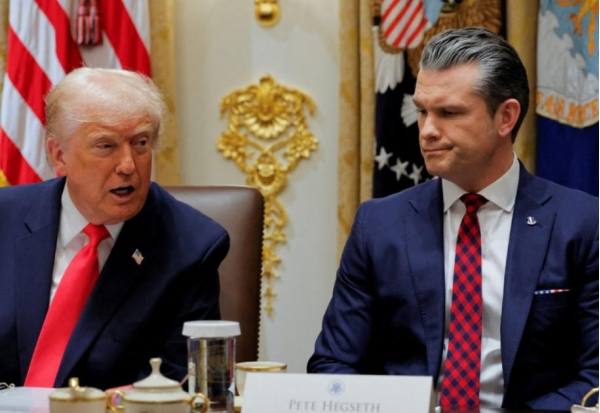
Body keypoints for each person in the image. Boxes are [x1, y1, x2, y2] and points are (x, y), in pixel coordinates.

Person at [308, 27, 598, 411]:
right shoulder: (378, 225)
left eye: (449, 113)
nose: (427, 131)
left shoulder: (583, 224)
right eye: (422, 111)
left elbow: (595, 375)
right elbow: (334, 364)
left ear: (506, 117)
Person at [0, 67, 229, 390]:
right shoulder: (6, 218)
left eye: (140, 143)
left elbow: (181, 382)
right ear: (59, 155)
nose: (128, 165)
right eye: (105, 146)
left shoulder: (192, 247)